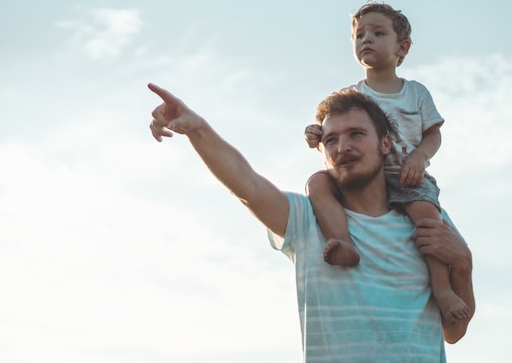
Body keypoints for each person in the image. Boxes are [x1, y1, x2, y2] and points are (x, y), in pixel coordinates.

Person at [148, 83, 475, 362]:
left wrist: (463, 263)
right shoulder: (307, 219)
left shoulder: (427, 220)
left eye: (356, 134)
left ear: (385, 143)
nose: (342, 147)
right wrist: (197, 128)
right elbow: (246, 183)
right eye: (331, 140)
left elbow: (454, 331)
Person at [304, 1, 470, 324]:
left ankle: (442, 288)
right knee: (316, 183)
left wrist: (420, 157)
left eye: (378, 33)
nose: (366, 39)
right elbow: (329, 130)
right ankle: (343, 242)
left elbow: (434, 135)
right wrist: (314, 133)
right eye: (360, 35)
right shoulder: (351, 95)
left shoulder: (416, 93)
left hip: (407, 175)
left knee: (428, 221)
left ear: (401, 48)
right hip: (363, 178)